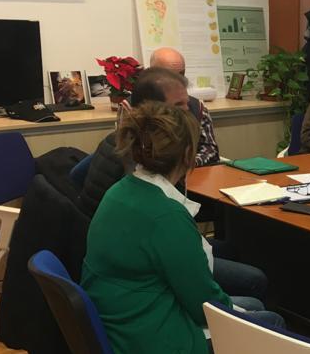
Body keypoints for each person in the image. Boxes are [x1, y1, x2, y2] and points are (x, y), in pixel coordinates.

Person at [81, 101, 284, 354]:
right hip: (151, 343)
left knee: (253, 306)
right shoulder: (166, 216)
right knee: (272, 322)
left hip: (120, 322)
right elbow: (204, 304)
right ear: (189, 155)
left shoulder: (121, 191)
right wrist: (237, 314)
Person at [77, 67, 268, 302]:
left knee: (229, 251)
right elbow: (201, 300)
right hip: (143, 298)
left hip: (115, 286)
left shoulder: (124, 178)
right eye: (179, 106)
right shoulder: (166, 212)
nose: (189, 112)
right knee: (258, 300)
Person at [150, 46, 220, 166]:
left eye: (181, 74)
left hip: (191, 173)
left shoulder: (196, 107)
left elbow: (210, 151)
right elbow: (128, 155)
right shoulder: (133, 107)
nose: (178, 80)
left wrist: (185, 165)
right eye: (171, 75)